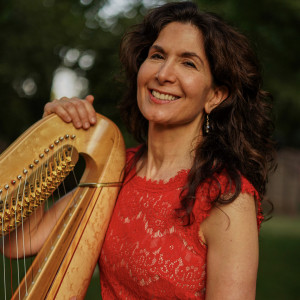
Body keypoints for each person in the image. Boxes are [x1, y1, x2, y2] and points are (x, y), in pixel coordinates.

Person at [5, 1, 276, 299]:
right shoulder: (117, 169)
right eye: (157, 55)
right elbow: (18, 243)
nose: (163, 74)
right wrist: (47, 140)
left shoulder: (226, 198)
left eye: (188, 63)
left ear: (214, 96)